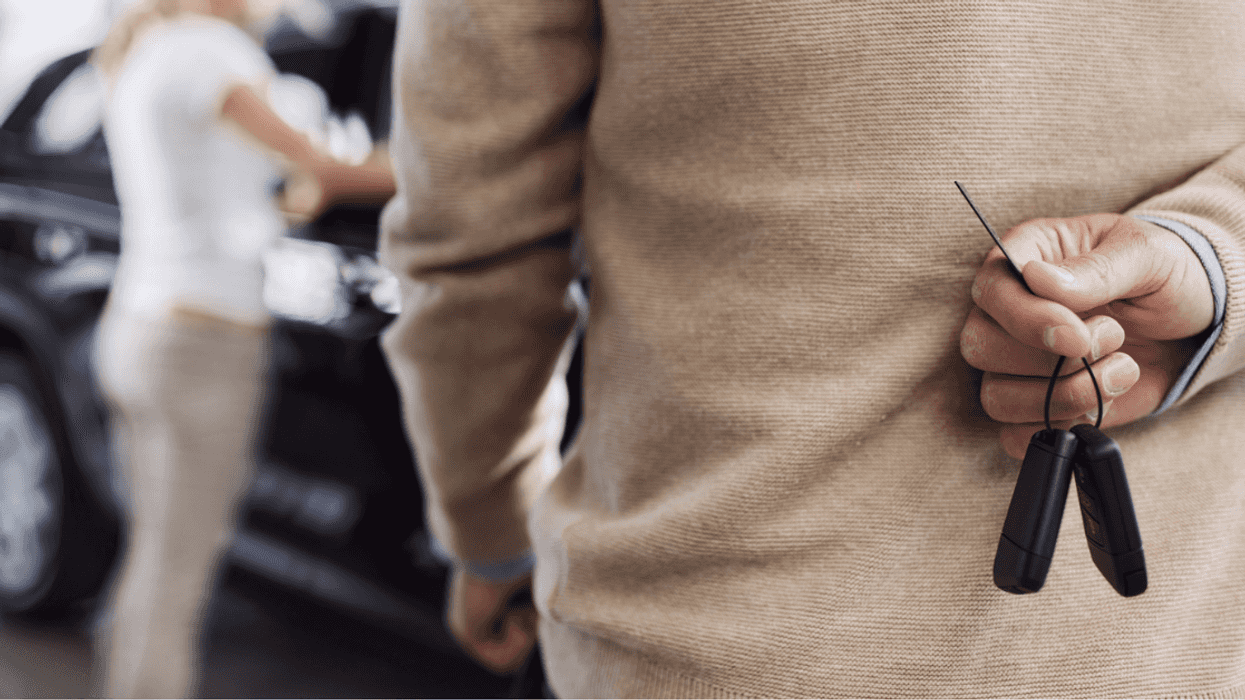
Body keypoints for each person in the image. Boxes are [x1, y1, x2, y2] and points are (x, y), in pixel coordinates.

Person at [377, 1, 1245, 696]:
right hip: (1188, 653)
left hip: (708, 655)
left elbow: (471, 247)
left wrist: (489, 530)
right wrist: (1216, 265)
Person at [91, 1, 393, 696]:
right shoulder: (211, 50)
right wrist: (455, 168)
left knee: (151, 561)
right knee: (176, 577)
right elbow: (320, 162)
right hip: (201, 341)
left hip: (141, 321)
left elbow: (229, 175)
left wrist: (282, 195)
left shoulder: (147, 46)